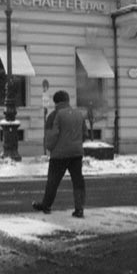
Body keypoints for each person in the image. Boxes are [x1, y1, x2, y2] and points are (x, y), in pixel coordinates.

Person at [32, 90, 87, 218]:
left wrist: (50, 148)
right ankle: (79, 209)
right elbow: (84, 134)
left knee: (53, 181)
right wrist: (76, 143)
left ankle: (46, 205)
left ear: (55, 102)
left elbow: (51, 136)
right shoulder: (79, 114)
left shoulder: (53, 116)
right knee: (78, 181)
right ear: (68, 100)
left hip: (59, 155)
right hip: (76, 154)